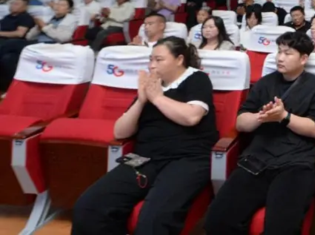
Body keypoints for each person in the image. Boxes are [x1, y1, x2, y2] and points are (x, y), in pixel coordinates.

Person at [72, 38, 217, 235]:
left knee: (154, 219)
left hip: (187, 158)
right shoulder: (152, 86)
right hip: (145, 158)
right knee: (88, 206)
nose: (152, 65)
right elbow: (120, 132)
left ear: (179, 59)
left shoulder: (196, 79)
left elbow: (191, 117)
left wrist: (157, 98)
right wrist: (141, 101)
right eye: (150, 59)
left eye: (159, 60)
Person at [205, 31, 315, 235]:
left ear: (303, 59)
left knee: (281, 228)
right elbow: (240, 122)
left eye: (288, 53)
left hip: (296, 164)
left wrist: (284, 116)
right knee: (217, 220)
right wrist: (260, 117)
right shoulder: (265, 83)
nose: (280, 57)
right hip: (256, 160)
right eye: (279, 51)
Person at [0, 0, 36, 91]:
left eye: (17, 4)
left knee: (8, 47)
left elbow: (19, 34)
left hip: (18, 44)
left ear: (25, 7)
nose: (13, 5)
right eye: (12, 3)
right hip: (5, 47)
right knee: (7, 58)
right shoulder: (6, 17)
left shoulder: (25, 17)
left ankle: (12, 88)